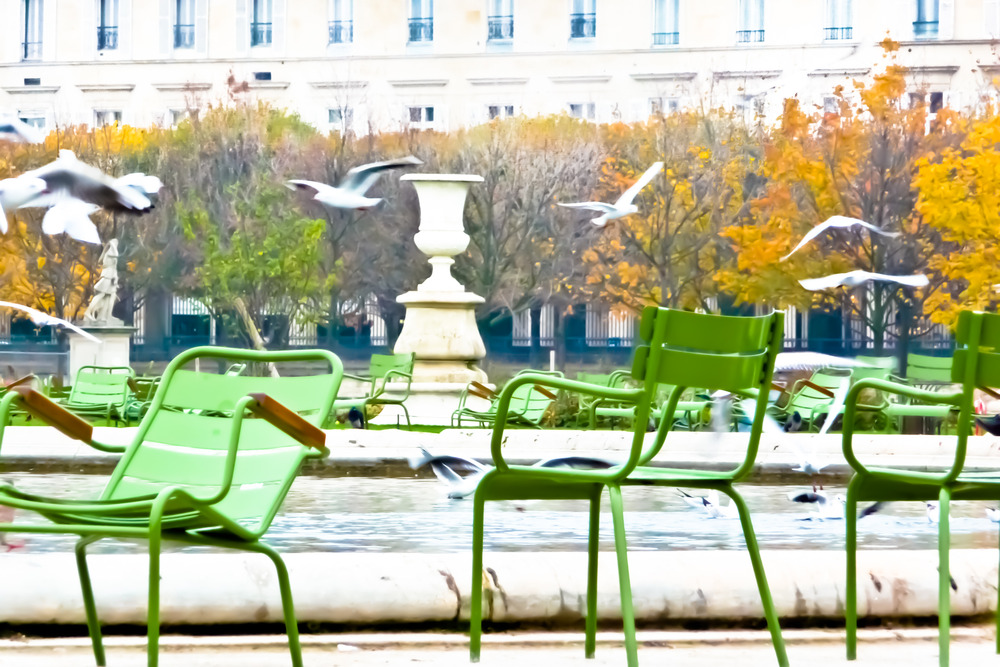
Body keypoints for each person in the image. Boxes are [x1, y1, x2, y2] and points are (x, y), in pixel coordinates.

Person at [83, 239, 121, 325]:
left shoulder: (110, 254)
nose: (117, 245)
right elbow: (116, 255)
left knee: (111, 296)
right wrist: (112, 245)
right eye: (116, 243)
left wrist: (115, 279)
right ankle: (88, 312)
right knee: (102, 294)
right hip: (107, 276)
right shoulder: (111, 253)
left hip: (111, 277)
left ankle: (106, 316)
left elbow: (114, 267)